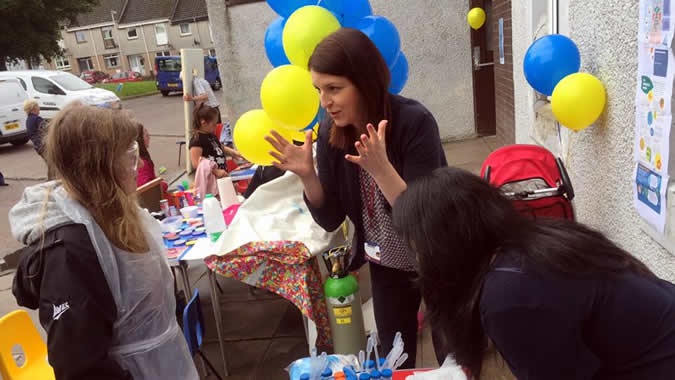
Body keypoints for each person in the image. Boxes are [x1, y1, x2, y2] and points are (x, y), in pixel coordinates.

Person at [265, 28, 447, 368]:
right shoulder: (333, 131)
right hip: (387, 262)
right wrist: (308, 176)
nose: (325, 101)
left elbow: (425, 216)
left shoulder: (414, 122)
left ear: (365, 81)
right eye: (319, 89)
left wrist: (382, 170)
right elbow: (331, 216)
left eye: (334, 88)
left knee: (453, 354)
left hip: (437, 255)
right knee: (395, 356)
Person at [392, 166, 675, 379]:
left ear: (447, 244)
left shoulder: (509, 295)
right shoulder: (526, 245)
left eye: (420, 247)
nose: (419, 259)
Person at [10, 103, 199, 380]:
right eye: (129, 157)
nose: (138, 167)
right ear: (98, 167)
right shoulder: (70, 250)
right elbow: (79, 366)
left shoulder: (114, 215)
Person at [183, 68, 233, 147]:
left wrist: (191, 99)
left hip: (210, 110)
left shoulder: (196, 82)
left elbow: (204, 96)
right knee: (216, 131)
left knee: (212, 132)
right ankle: (218, 147)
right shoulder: (201, 80)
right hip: (213, 109)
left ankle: (214, 148)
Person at [189, 103, 242, 177]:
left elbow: (220, 147)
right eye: (214, 124)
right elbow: (196, 163)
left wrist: (234, 153)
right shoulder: (196, 141)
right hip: (209, 179)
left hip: (221, 176)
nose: (216, 126)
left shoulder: (211, 135)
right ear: (203, 123)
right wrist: (215, 171)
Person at [24, 99, 54, 179]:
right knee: (53, 165)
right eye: (38, 106)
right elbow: (48, 129)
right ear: (34, 108)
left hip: (38, 146)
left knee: (51, 165)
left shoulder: (28, 120)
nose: (39, 108)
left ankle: (51, 181)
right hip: (44, 145)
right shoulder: (37, 119)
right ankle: (51, 182)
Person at [135, 122, 168, 194]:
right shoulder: (142, 163)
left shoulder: (142, 159)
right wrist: (163, 185)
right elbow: (147, 187)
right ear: (139, 140)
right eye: (146, 135)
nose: (149, 137)